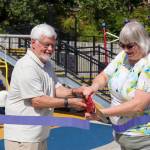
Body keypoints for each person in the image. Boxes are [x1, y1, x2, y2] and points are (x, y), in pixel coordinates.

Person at [4, 24, 86, 150]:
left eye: (53, 45)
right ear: (33, 43)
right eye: (46, 44)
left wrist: (76, 91)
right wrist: (69, 103)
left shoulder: (46, 64)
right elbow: (37, 101)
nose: (50, 49)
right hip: (23, 138)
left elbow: (56, 89)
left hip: (37, 135)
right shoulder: (27, 66)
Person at [83, 21, 150, 150]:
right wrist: (93, 88)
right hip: (123, 134)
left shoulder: (147, 64)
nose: (125, 49)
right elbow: (104, 76)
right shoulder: (124, 56)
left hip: (142, 138)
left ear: (142, 42)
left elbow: (138, 105)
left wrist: (102, 113)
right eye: (121, 45)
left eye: (129, 46)